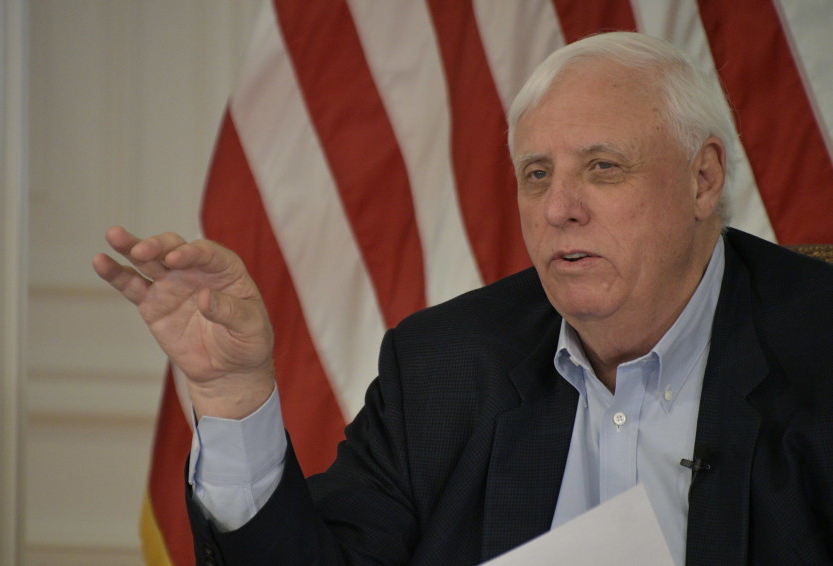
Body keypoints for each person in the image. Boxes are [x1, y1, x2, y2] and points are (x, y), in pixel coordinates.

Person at [94, 32, 833, 565]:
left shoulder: (819, 343)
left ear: (703, 180)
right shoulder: (442, 368)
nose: (558, 208)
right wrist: (233, 395)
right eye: (536, 174)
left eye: (603, 168)